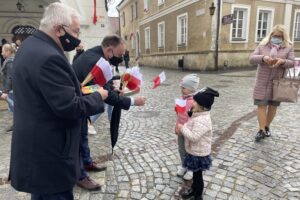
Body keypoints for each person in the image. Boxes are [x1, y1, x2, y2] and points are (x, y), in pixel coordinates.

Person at [9, 3, 108, 200]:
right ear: (58, 28)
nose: (78, 38)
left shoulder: (29, 46)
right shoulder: (48, 56)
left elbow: (44, 93)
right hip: (50, 156)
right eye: (76, 31)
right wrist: (99, 97)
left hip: (37, 151)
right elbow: (69, 107)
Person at [72, 34, 146, 190]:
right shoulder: (94, 61)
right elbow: (104, 95)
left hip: (82, 103)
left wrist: (112, 86)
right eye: (119, 55)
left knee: (83, 135)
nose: (120, 58)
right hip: (75, 105)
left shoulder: (97, 55)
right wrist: (133, 101)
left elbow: (101, 86)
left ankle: (87, 162)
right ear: (109, 50)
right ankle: (80, 175)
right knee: (77, 140)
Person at [249, 24, 295, 142]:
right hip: (262, 82)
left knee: (273, 106)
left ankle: (266, 126)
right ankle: (261, 130)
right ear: (271, 35)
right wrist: (264, 58)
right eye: (274, 35)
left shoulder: (288, 47)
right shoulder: (263, 45)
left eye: (279, 36)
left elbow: (292, 63)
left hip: (277, 83)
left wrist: (282, 61)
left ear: (283, 37)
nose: (276, 38)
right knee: (261, 105)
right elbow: (251, 58)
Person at [177, 87, 219, 200]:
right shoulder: (198, 115)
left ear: (201, 105)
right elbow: (192, 123)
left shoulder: (203, 120)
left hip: (199, 154)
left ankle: (198, 195)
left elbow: (194, 137)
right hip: (194, 151)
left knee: (198, 176)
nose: (192, 102)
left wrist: (182, 128)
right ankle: (193, 190)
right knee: (195, 176)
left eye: (194, 101)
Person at [175, 74, 200, 181]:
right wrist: (177, 125)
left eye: (184, 88)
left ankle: (191, 168)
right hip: (180, 129)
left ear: (191, 89)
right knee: (181, 149)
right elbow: (179, 114)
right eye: (181, 87)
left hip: (189, 131)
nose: (181, 89)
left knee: (190, 150)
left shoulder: (195, 102)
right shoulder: (182, 98)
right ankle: (184, 165)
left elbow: (195, 118)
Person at [0, 43, 16, 132]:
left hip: (11, 90)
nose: (1, 53)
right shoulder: (10, 60)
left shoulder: (10, 61)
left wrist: (5, 91)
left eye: (3, 51)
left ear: (8, 51)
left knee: (14, 107)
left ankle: (16, 125)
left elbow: (10, 77)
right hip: (11, 89)